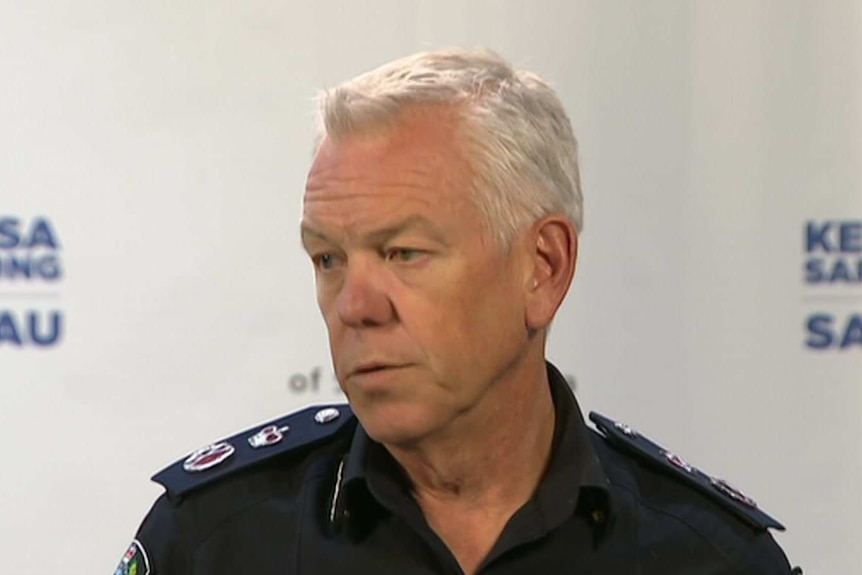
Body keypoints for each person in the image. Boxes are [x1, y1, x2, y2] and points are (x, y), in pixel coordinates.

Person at [115, 48, 800, 575]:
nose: (355, 306)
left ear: (544, 268)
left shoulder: (709, 556)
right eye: (328, 259)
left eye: (404, 252)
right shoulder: (212, 543)